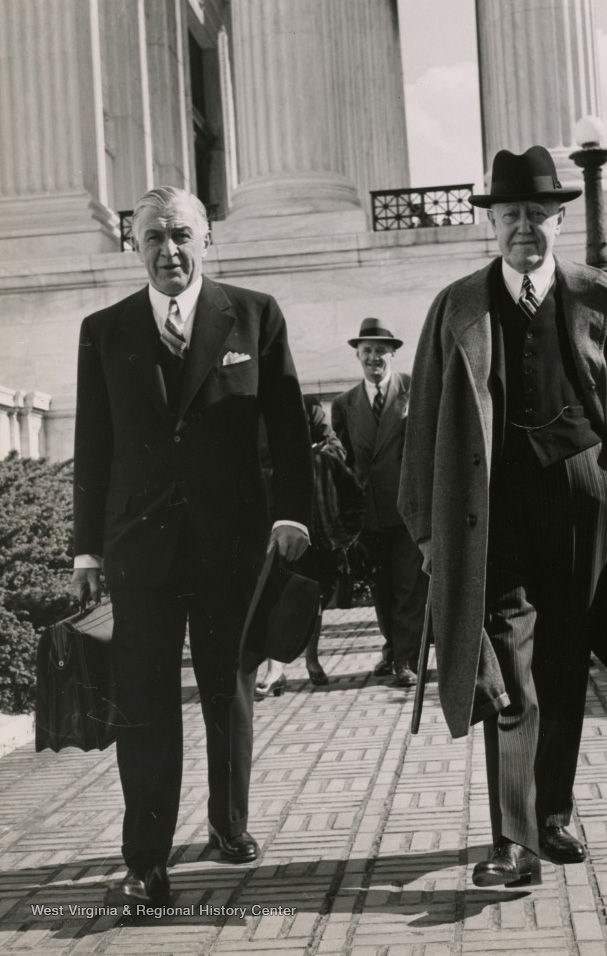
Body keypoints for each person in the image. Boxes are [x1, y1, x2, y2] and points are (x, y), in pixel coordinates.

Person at [399, 146, 607, 889]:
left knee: (564, 664)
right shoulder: (457, 306)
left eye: (538, 214)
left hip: (587, 502)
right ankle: (511, 840)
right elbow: (424, 428)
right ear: (492, 223)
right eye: (510, 214)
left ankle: (552, 814)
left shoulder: (600, 295)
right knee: (509, 667)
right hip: (490, 514)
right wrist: (426, 530)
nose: (524, 228)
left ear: (559, 220)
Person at [70, 186, 313, 906]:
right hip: (139, 548)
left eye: (181, 234)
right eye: (153, 237)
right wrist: (86, 551)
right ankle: (146, 858)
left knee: (227, 690)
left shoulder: (256, 315)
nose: (168, 250)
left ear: (208, 238)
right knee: (145, 702)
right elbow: (93, 445)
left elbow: (288, 427)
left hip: (229, 543)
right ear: (134, 245)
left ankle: (228, 825)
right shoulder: (103, 330)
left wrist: (293, 515)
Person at [332, 318, 428, 688]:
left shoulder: (415, 388)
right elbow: (342, 463)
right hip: (368, 513)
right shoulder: (344, 404)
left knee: (408, 587)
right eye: (367, 351)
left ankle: (406, 660)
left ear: (393, 354)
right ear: (358, 356)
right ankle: (392, 649)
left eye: (381, 351)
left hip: (408, 508)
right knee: (382, 588)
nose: (374, 357)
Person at [256, 394, 349, 695]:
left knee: (311, 588)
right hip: (260, 513)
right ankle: (275, 669)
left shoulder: (306, 405)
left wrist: (306, 456)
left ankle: (312, 658)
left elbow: (336, 448)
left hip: (304, 515)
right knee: (268, 587)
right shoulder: (243, 403)